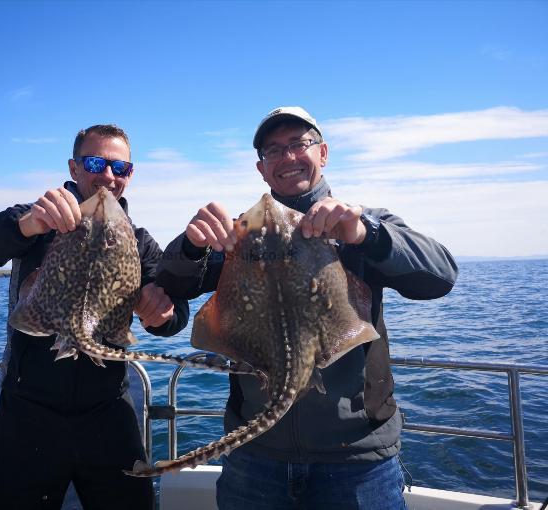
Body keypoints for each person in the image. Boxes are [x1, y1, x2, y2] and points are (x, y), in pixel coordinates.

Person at [156, 106, 458, 509]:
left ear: (323, 153)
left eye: (299, 144)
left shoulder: (361, 223)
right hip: (256, 456)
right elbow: (172, 283)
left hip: (356, 460)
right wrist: (191, 246)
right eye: (273, 150)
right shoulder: (244, 234)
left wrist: (365, 234)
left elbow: (440, 276)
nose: (287, 157)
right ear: (261, 168)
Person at [0, 124, 189, 510]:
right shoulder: (37, 220)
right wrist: (27, 224)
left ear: (130, 174)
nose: (108, 176)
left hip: (108, 413)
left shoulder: (140, 240)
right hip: (28, 410)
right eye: (96, 162)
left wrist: (161, 314)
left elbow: (174, 311)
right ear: (75, 167)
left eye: (121, 168)